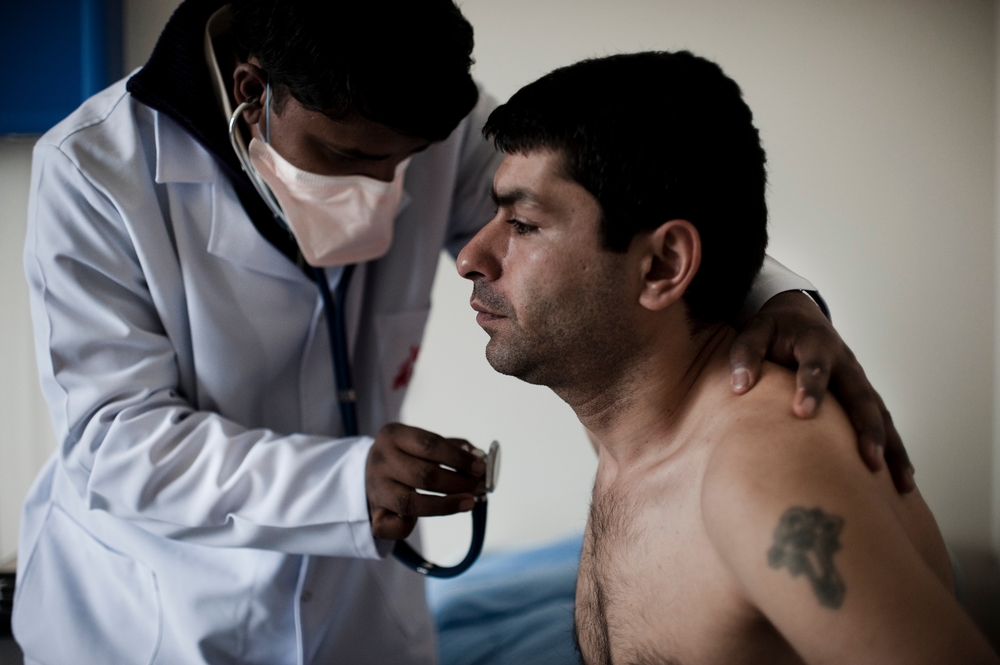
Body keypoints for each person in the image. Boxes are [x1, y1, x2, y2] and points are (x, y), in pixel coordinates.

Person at [14, 0, 910, 661]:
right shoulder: (99, 172)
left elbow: (615, 204)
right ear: (255, 92)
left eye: (408, 164)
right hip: (148, 619)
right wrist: (344, 476)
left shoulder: (422, 112)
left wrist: (782, 298)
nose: (395, 195)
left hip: (358, 617)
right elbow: (114, 443)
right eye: (352, 158)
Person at [456, 50, 997, 664]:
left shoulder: (760, 479)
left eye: (523, 224)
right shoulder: (633, 431)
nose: (470, 256)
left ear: (662, 266)